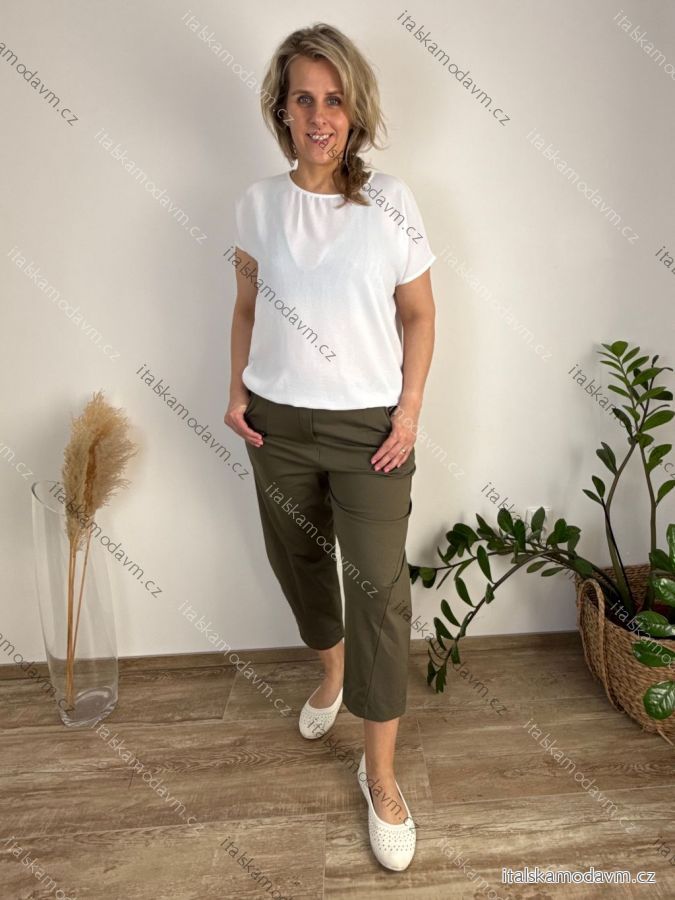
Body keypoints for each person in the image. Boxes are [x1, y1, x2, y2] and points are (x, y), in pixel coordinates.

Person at [224, 22, 435, 872]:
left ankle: (378, 773)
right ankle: (332, 671)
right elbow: (247, 308)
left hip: (369, 432)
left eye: (335, 100)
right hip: (275, 424)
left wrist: (408, 412)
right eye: (304, 99)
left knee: (378, 593)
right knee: (299, 564)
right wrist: (236, 390)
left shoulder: (391, 202)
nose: (320, 116)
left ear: (355, 110)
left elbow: (418, 315)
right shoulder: (255, 204)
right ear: (282, 109)